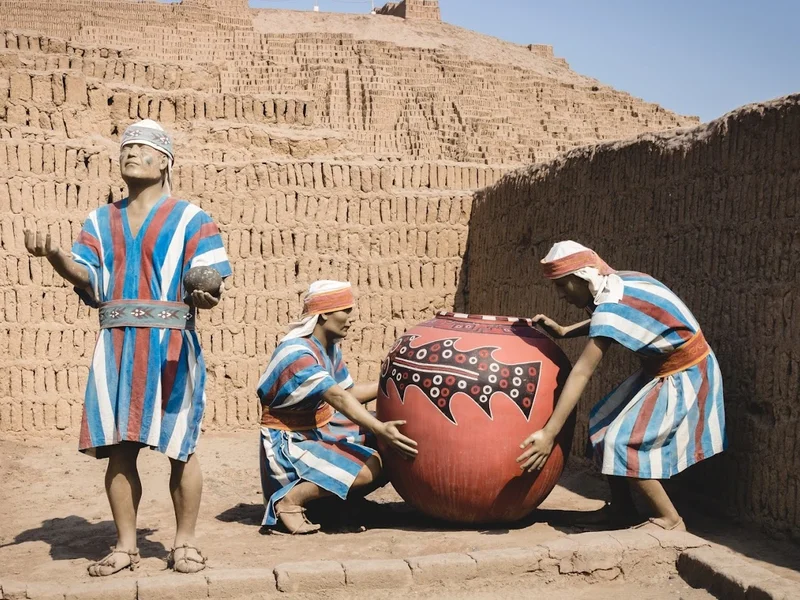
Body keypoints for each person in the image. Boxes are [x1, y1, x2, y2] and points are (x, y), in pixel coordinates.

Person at [24, 119, 231, 575]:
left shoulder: (193, 219)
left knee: (182, 446)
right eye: (126, 148)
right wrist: (57, 254)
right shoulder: (100, 220)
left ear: (165, 161)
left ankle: (184, 543)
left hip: (173, 344)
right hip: (116, 345)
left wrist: (205, 295)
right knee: (120, 448)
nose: (131, 154)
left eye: (142, 148)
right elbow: (86, 274)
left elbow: (212, 283)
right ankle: (125, 545)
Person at [517, 241, 726, 531]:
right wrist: (566, 331)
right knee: (602, 424)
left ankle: (670, 519)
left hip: (687, 373)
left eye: (563, 286)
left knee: (622, 442)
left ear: (582, 278)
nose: (561, 295)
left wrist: (549, 433)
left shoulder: (611, 305)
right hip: (661, 369)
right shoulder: (619, 282)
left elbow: (581, 372)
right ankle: (623, 511)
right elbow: (613, 316)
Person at [257, 280, 418, 535]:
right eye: (346, 311)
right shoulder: (297, 353)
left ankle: (338, 504)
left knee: (390, 444)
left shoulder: (328, 348)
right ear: (324, 314)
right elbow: (338, 399)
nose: (351, 319)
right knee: (370, 466)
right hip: (289, 443)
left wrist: (392, 383)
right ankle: (289, 501)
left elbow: (349, 393)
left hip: (316, 429)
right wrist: (380, 427)